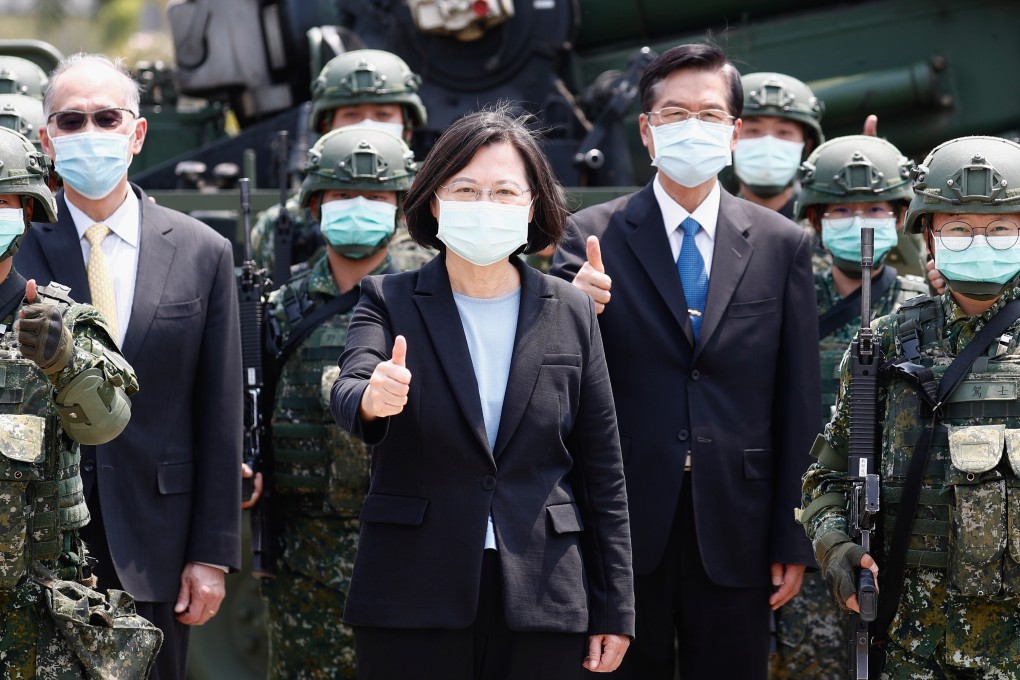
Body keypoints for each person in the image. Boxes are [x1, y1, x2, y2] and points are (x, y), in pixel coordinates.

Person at [330, 107, 634, 679]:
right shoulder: (388, 298)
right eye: (466, 190)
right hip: (413, 591)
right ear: (435, 202)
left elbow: (603, 469)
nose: (484, 205)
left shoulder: (570, 309)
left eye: (503, 191)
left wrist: (616, 606)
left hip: (544, 593)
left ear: (533, 205)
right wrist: (375, 396)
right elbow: (351, 386)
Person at [550, 42, 819, 679]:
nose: (690, 128)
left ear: (733, 131)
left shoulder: (782, 244)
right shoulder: (589, 235)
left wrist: (793, 532)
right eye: (673, 115)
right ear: (646, 131)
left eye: (708, 114)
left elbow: (797, 398)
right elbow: (552, 386)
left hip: (739, 523)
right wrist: (567, 310)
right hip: (618, 526)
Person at [13, 52, 243, 680]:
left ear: (137, 133)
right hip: (35, 544)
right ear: (46, 139)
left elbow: (219, 413)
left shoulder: (203, 252)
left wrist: (212, 554)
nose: (89, 134)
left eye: (106, 117)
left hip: (158, 544)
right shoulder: (14, 248)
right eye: (70, 120)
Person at [802, 134, 1020, 678]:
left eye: (1000, 229)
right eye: (959, 229)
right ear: (928, 234)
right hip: (913, 645)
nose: (980, 242)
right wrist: (836, 549)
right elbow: (824, 481)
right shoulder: (885, 344)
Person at [259, 126, 430, 679]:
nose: (359, 208)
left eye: (378, 196)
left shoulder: (432, 303)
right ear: (313, 206)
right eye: (340, 195)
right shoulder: (277, 311)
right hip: (303, 561)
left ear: (401, 206)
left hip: (411, 551)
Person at [0, 125, 162, 678]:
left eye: (1, 201)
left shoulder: (61, 324)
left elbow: (108, 423)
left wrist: (63, 361)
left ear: (26, 211)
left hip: (32, 620)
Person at [769, 134, 928, 679]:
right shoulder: (781, 295)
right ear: (814, 217)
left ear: (902, 215)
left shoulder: (920, 306)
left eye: (875, 209)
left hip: (893, 534)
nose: (859, 220)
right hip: (805, 521)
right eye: (841, 209)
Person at [250, 48, 429, 278]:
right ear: (327, 126)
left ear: (408, 125)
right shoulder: (285, 226)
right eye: (352, 114)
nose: (367, 125)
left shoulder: (435, 216)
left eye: (383, 114)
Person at [734, 72, 824, 218]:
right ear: (730, 139)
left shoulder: (828, 223)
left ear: (807, 145)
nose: (768, 144)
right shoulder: (707, 222)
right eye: (753, 130)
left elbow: (867, 240)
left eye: (784, 132)